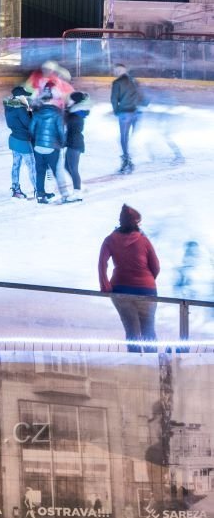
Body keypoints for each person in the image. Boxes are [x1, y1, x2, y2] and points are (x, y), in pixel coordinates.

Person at [99, 204, 160, 348]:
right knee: (148, 330)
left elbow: (102, 263)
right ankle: (152, 365)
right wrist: (146, 280)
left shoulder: (110, 239)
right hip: (147, 291)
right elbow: (156, 266)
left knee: (131, 331)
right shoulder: (143, 240)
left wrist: (105, 286)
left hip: (121, 290)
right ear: (136, 223)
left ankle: (136, 364)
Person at [30, 88, 72, 203]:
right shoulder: (57, 112)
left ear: (41, 100)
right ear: (51, 99)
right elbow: (60, 130)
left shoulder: (37, 113)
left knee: (40, 172)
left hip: (38, 147)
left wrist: (36, 142)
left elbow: (31, 129)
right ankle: (64, 195)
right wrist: (63, 143)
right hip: (52, 147)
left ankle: (40, 196)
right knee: (57, 172)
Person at [111, 64, 145, 174]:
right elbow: (141, 97)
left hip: (125, 113)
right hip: (136, 113)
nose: (114, 72)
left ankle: (126, 161)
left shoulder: (117, 83)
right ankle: (128, 157)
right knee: (128, 137)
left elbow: (114, 99)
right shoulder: (135, 81)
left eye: (116, 70)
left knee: (123, 138)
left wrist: (116, 111)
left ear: (121, 70)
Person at [3, 85, 36, 200]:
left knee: (16, 165)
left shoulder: (9, 106)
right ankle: (38, 190)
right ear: (20, 97)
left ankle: (16, 189)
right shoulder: (20, 108)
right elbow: (29, 124)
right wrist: (31, 114)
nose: (26, 98)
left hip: (13, 139)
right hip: (23, 141)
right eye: (25, 96)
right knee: (32, 166)